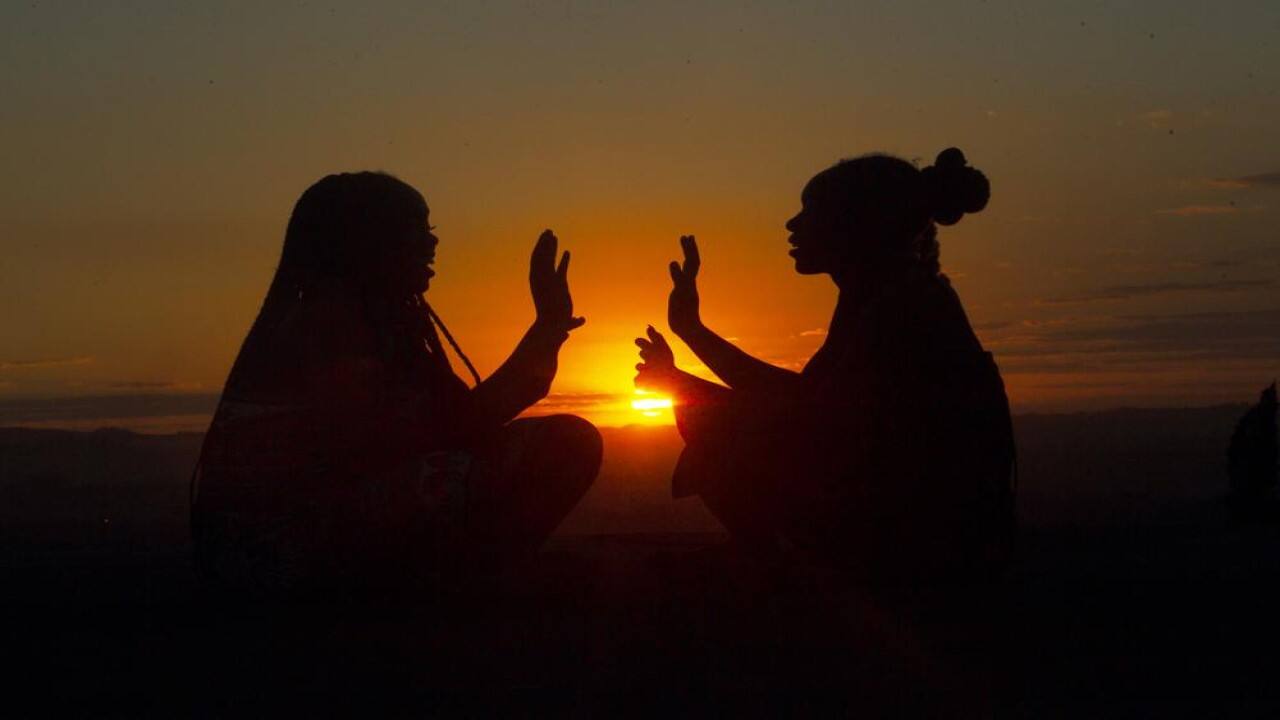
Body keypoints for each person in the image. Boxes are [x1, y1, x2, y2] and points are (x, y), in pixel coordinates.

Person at [192, 172, 601, 592]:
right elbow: (430, 435)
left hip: (307, 537)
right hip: (272, 557)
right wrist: (546, 330)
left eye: (430, 229)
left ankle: (471, 579)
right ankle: (467, 586)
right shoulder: (329, 324)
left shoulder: (382, 321)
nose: (431, 243)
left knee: (562, 442)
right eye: (413, 230)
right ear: (363, 242)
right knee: (499, 461)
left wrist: (549, 327)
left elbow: (464, 422)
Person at [635, 148, 1015, 580]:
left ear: (858, 223)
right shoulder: (891, 293)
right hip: (920, 521)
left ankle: (783, 564)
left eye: (810, 211)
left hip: (914, 536)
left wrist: (689, 344)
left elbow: (804, 411)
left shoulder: (900, 305)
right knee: (710, 415)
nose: (793, 225)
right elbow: (810, 402)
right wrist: (684, 353)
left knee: (715, 424)